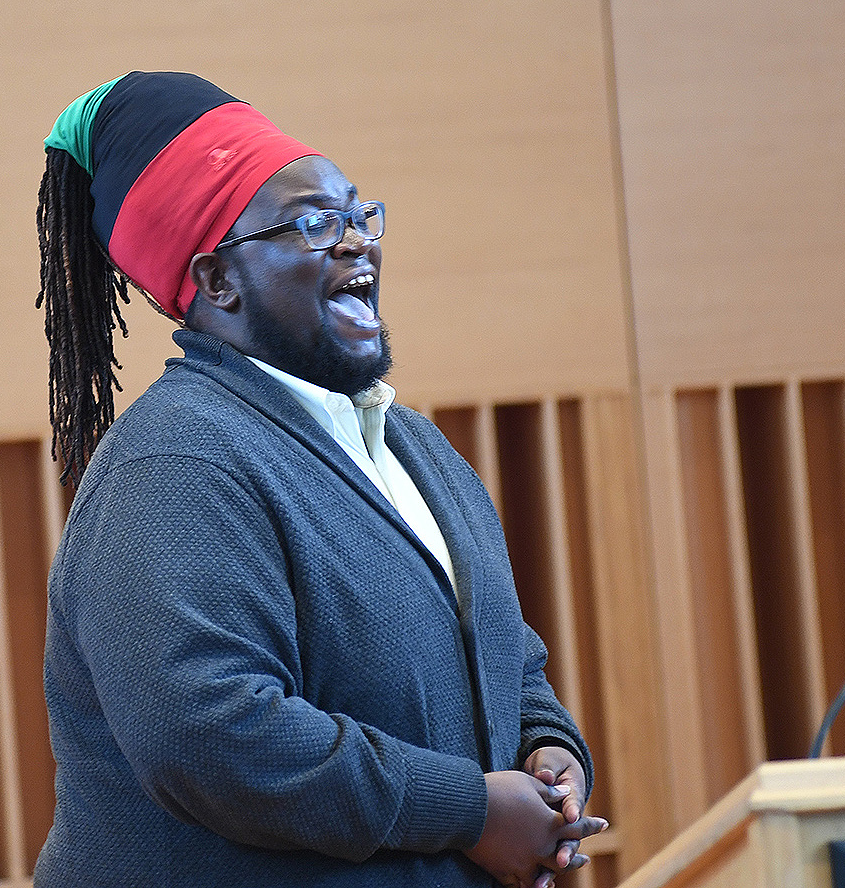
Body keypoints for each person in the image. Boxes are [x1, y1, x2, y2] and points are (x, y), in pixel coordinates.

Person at [33, 71, 606, 888]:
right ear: (218, 281)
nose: (355, 241)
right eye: (310, 224)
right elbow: (211, 735)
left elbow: (506, 659)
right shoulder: (177, 463)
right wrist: (470, 811)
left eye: (357, 213)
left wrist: (548, 751)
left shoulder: (410, 444)